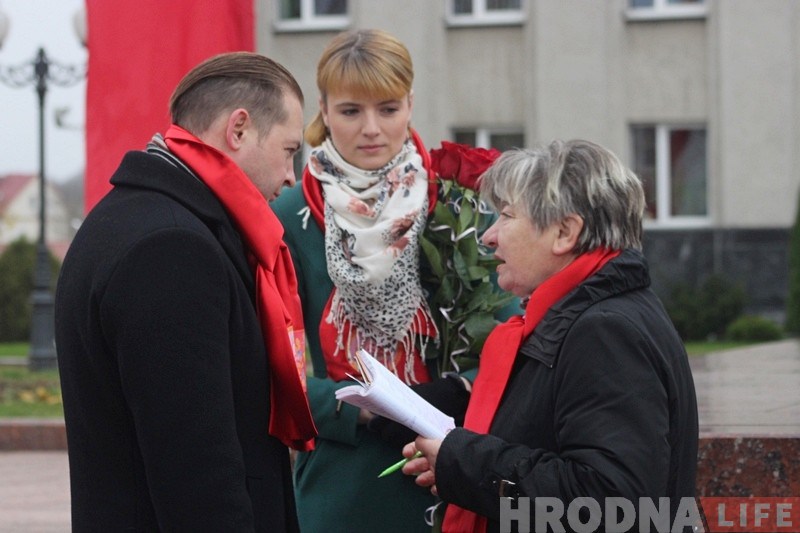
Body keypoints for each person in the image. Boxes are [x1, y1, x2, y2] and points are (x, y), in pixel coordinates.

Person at [54, 52, 315, 531]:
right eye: (288, 149)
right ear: (238, 130)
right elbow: (196, 475)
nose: (289, 176)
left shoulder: (139, 216)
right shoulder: (172, 249)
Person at [271, 29, 513, 532]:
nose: (371, 129)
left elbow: (509, 329)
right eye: (351, 111)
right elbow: (266, 362)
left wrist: (454, 393)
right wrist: (353, 408)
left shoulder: (456, 208)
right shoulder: (290, 216)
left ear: (410, 104)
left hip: (447, 470)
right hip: (342, 478)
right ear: (323, 109)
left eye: (388, 108)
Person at [402, 140, 699, 533]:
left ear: (564, 232)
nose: (490, 237)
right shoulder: (592, 315)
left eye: (507, 216)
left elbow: (610, 501)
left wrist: (464, 461)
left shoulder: (604, 333)